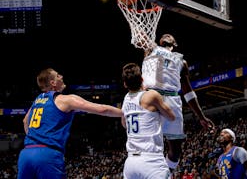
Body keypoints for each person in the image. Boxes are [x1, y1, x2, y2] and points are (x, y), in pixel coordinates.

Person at [17, 68, 123, 179]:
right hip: (47, 154)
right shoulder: (65, 100)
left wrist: (35, 139)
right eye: (58, 76)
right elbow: (102, 110)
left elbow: (25, 121)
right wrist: (124, 113)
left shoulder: (37, 100)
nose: (61, 76)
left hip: (26, 154)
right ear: (53, 83)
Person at [141, 33, 215, 172]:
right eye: (164, 35)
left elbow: (188, 92)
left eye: (170, 36)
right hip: (151, 97)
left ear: (174, 44)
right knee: (148, 145)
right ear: (159, 41)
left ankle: (165, 174)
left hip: (172, 100)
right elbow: (143, 37)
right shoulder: (151, 50)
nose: (167, 35)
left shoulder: (182, 61)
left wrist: (201, 117)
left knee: (175, 151)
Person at [121, 63, 175, 179]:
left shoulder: (125, 99)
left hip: (131, 162)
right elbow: (171, 116)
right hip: (151, 160)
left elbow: (124, 124)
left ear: (125, 84)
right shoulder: (151, 95)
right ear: (142, 79)